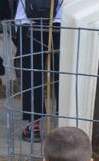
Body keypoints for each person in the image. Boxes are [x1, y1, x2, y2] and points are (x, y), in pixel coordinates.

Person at [15, 0, 64, 142]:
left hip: (28, 23)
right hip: (61, 21)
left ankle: (33, 125)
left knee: (32, 74)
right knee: (63, 74)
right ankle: (64, 123)